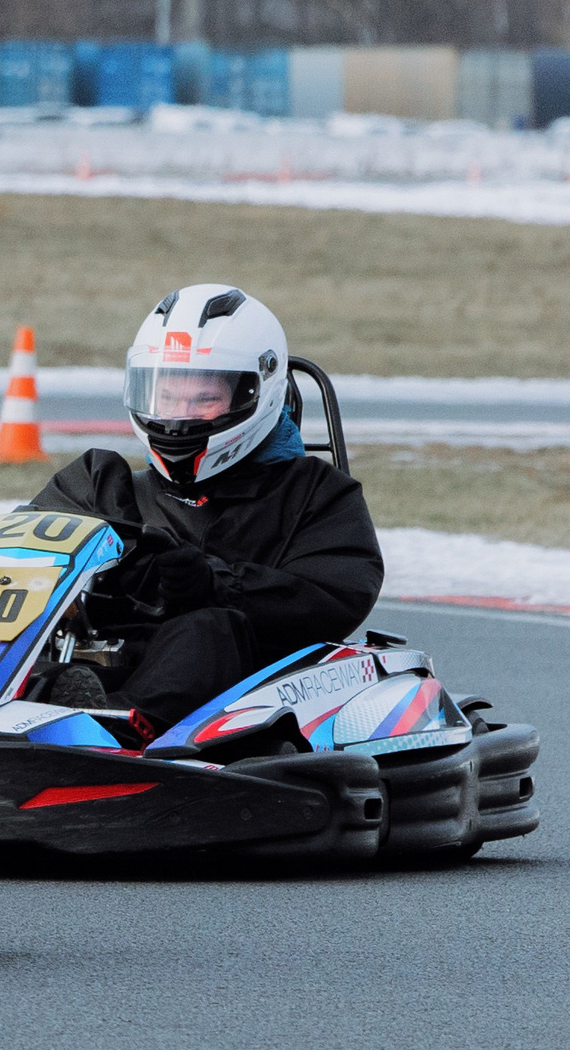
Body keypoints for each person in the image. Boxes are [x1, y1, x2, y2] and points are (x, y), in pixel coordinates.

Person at [29, 283, 384, 741]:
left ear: (257, 393)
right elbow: (30, 547)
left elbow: (335, 596)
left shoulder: (314, 493)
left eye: (203, 399)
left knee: (207, 628)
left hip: (238, 690)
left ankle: (105, 732)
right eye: (168, 397)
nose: (181, 416)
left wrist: (215, 583)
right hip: (100, 668)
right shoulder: (101, 486)